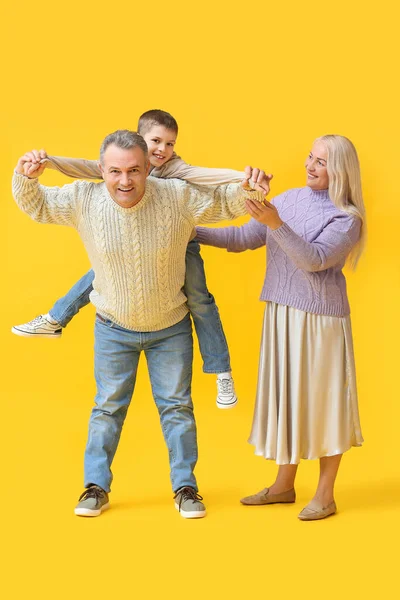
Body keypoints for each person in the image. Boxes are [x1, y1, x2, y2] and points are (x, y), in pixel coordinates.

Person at [12, 129, 268, 518]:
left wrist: (250, 189)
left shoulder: (176, 197)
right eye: (115, 171)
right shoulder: (84, 198)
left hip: (171, 328)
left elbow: (224, 204)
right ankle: (95, 488)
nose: (125, 181)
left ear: (149, 167)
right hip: (113, 328)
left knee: (178, 409)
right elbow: (38, 206)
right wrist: (26, 176)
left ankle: (186, 489)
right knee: (107, 409)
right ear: (102, 169)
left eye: (134, 170)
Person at [11, 109, 256, 409]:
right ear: (139, 141)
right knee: (104, 274)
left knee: (200, 299)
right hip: (129, 252)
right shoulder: (123, 163)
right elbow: (86, 168)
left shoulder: (174, 169)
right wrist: (45, 164)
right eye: (156, 141)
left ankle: (221, 371)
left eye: (170, 144)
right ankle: (55, 319)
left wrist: (244, 182)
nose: (162, 150)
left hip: (180, 244)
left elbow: (206, 180)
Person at [196, 135, 366, 521]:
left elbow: (314, 260)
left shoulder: (347, 217)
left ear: (341, 170)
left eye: (321, 161)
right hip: (281, 313)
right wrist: (191, 232)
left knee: (325, 404)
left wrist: (275, 222)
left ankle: (325, 494)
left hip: (321, 320)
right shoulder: (288, 199)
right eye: (310, 156)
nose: (310, 165)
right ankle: (283, 486)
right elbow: (242, 238)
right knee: (287, 400)